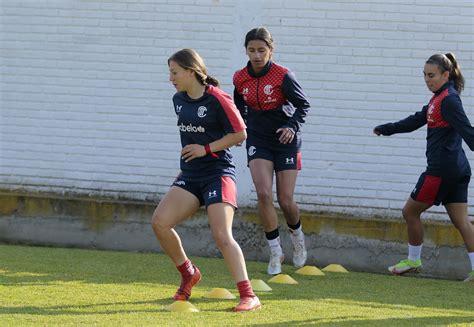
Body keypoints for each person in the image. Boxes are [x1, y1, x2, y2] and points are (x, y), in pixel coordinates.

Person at [151, 48, 261, 311]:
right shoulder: (178, 99)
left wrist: (206, 149)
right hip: (190, 175)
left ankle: (249, 295)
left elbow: (240, 134)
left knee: (222, 235)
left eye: (175, 72)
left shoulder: (218, 99)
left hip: (217, 174)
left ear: (191, 71)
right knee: (160, 223)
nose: (170, 78)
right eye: (170, 72)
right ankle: (189, 273)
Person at [374, 53, 474, 282]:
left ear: (445, 75)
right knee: (462, 222)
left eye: (432, 76)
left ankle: (413, 260)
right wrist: (387, 128)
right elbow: (415, 120)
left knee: (410, 212)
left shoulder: (448, 99)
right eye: (425, 76)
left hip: (441, 170)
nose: (427, 80)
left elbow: (466, 129)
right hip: (458, 170)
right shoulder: (438, 98)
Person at [233, 27, 311, 275]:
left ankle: (298, 239)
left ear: (271, 50)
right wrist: (239, 129)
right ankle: (275, 250)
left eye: (261, 50)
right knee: (264, 194)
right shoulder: (240, 78)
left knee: (286, 200)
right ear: (245, 50)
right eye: (252, 50)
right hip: (258, 139)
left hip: (285, 140)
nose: (256, 55)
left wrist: (291, 125)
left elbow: (303, 105)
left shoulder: (283, 76)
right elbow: (238, 108)